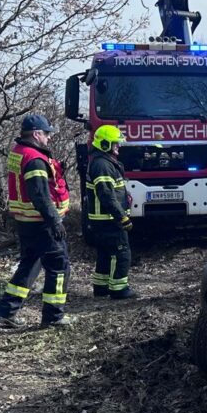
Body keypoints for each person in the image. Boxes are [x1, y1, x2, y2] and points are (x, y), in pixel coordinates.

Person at [0, 114, 72, 328]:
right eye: (46, 134)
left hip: (25, 222)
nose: (49, 138)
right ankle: (53, 317)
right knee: (59, 266)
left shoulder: (19, 153)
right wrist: (55, 221)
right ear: (36, 134)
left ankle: (5, 311)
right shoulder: (35, 159)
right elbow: (40, 195)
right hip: (41, 223)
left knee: (29, 265)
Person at [84, 125, 137, 300]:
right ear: (105, 144)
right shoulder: (102, 165)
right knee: (121, 253)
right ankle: (119, 289)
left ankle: (101, 287)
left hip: (102, 220)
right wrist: (121, 217)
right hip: (107, 219)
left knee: (105, 253)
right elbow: (106, 195)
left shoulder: (103, 162)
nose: (118, 147)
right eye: (115, 144)